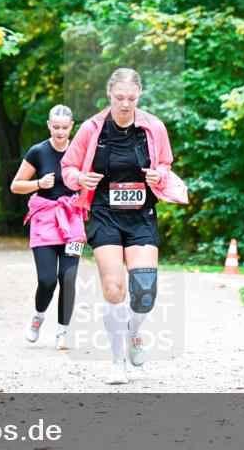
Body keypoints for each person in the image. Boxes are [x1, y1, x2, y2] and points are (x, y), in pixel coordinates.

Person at [61, 68, 188, 384]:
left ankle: (133, 332)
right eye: (120, 97)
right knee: (114, 287)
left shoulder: (153, 127)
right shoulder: (92, 128)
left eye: (131, 98)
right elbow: (69, 167)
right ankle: (117, 362)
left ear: (139, 95)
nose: (126, 104)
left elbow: (165, 163)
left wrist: (159, 174)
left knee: (145, 293)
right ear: (109, 94)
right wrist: (79, 178)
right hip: (105, 212)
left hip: (141, 214)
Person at [11, 105, 86, 351]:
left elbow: (92, 181)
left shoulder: (81, 151)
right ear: (48, 125)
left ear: (72, 126)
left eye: (65, 127)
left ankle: (62, 333)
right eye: (56, 127)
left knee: (68, 277)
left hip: (72, 219)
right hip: (44, 219)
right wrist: (38, 183)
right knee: (47, 281)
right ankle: (37, 317)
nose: (60, 132)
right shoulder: (38, 152)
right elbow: (16, 185)